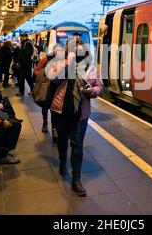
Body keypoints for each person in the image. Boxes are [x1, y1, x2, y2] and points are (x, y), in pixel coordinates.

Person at [48, 38, 102, 197]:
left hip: (81, 113)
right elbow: (52, 78)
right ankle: (63, 163)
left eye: (79, 49)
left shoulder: (89, 67)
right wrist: (66, 63)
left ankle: (76, 180)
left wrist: (92, 91)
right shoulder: (59, 64)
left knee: (77, 145)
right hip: (61, 111)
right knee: (62, 141)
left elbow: (100, 87)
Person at [34, 44, 62, 135]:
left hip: (57, 88)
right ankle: (45, 122)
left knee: (54, 110)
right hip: (46, 88)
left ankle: (54, 128)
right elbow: (36, 71)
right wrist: (46, 74)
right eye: (57, 51)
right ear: (53, 52)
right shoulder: (45, 59)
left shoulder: (62, 61)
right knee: (45, 106)